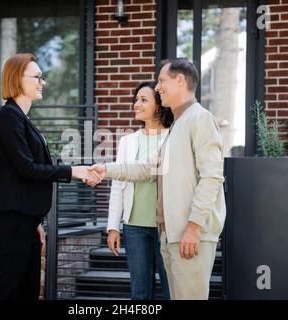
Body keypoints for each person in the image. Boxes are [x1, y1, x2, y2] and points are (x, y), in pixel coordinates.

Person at [89, 58, 226, 300]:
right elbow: (145, 168)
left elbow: (212, 178)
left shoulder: (200, 119)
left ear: (180, 81)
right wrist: (105, 169)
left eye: (162, 81)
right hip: (173, 236)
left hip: (188, 235)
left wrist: (194, 227)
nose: (158, 87)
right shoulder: (178, 125)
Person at [0, 53, 100, 300]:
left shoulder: (21, 118)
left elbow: (24, 175)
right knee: (6, 292)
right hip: (12, 221)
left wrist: (35, 220)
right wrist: (74, 171)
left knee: (27, 292)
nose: (42, 82)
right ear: (17, 78)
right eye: (37, 77)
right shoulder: (8, 117)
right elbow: (26, 168)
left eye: (42, 77)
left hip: (24, 220)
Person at [107, 81, 172, 300]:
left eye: (143, 100)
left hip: (167, 228)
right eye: (136, 99)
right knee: (140, 293)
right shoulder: (127, 141)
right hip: (134, 226)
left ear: (159, 105)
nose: (136, 104)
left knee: (172, 290)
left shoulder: (174, 137)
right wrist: (113, 227)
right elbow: (118, 183)